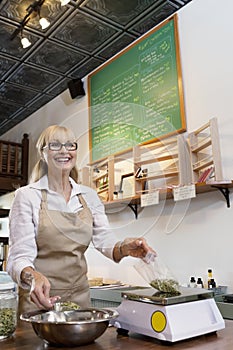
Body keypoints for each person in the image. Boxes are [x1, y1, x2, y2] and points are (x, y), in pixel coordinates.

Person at [7, 125, 155, 315]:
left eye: (70, 145)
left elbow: (104, 240)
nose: (64, 151)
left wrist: (125, 247)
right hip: (39, 300)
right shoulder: (27, 196)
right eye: (55, 145)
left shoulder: (89, 196)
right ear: (43, 153)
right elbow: (18, 257)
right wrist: (33, 277)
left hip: (80, 299)